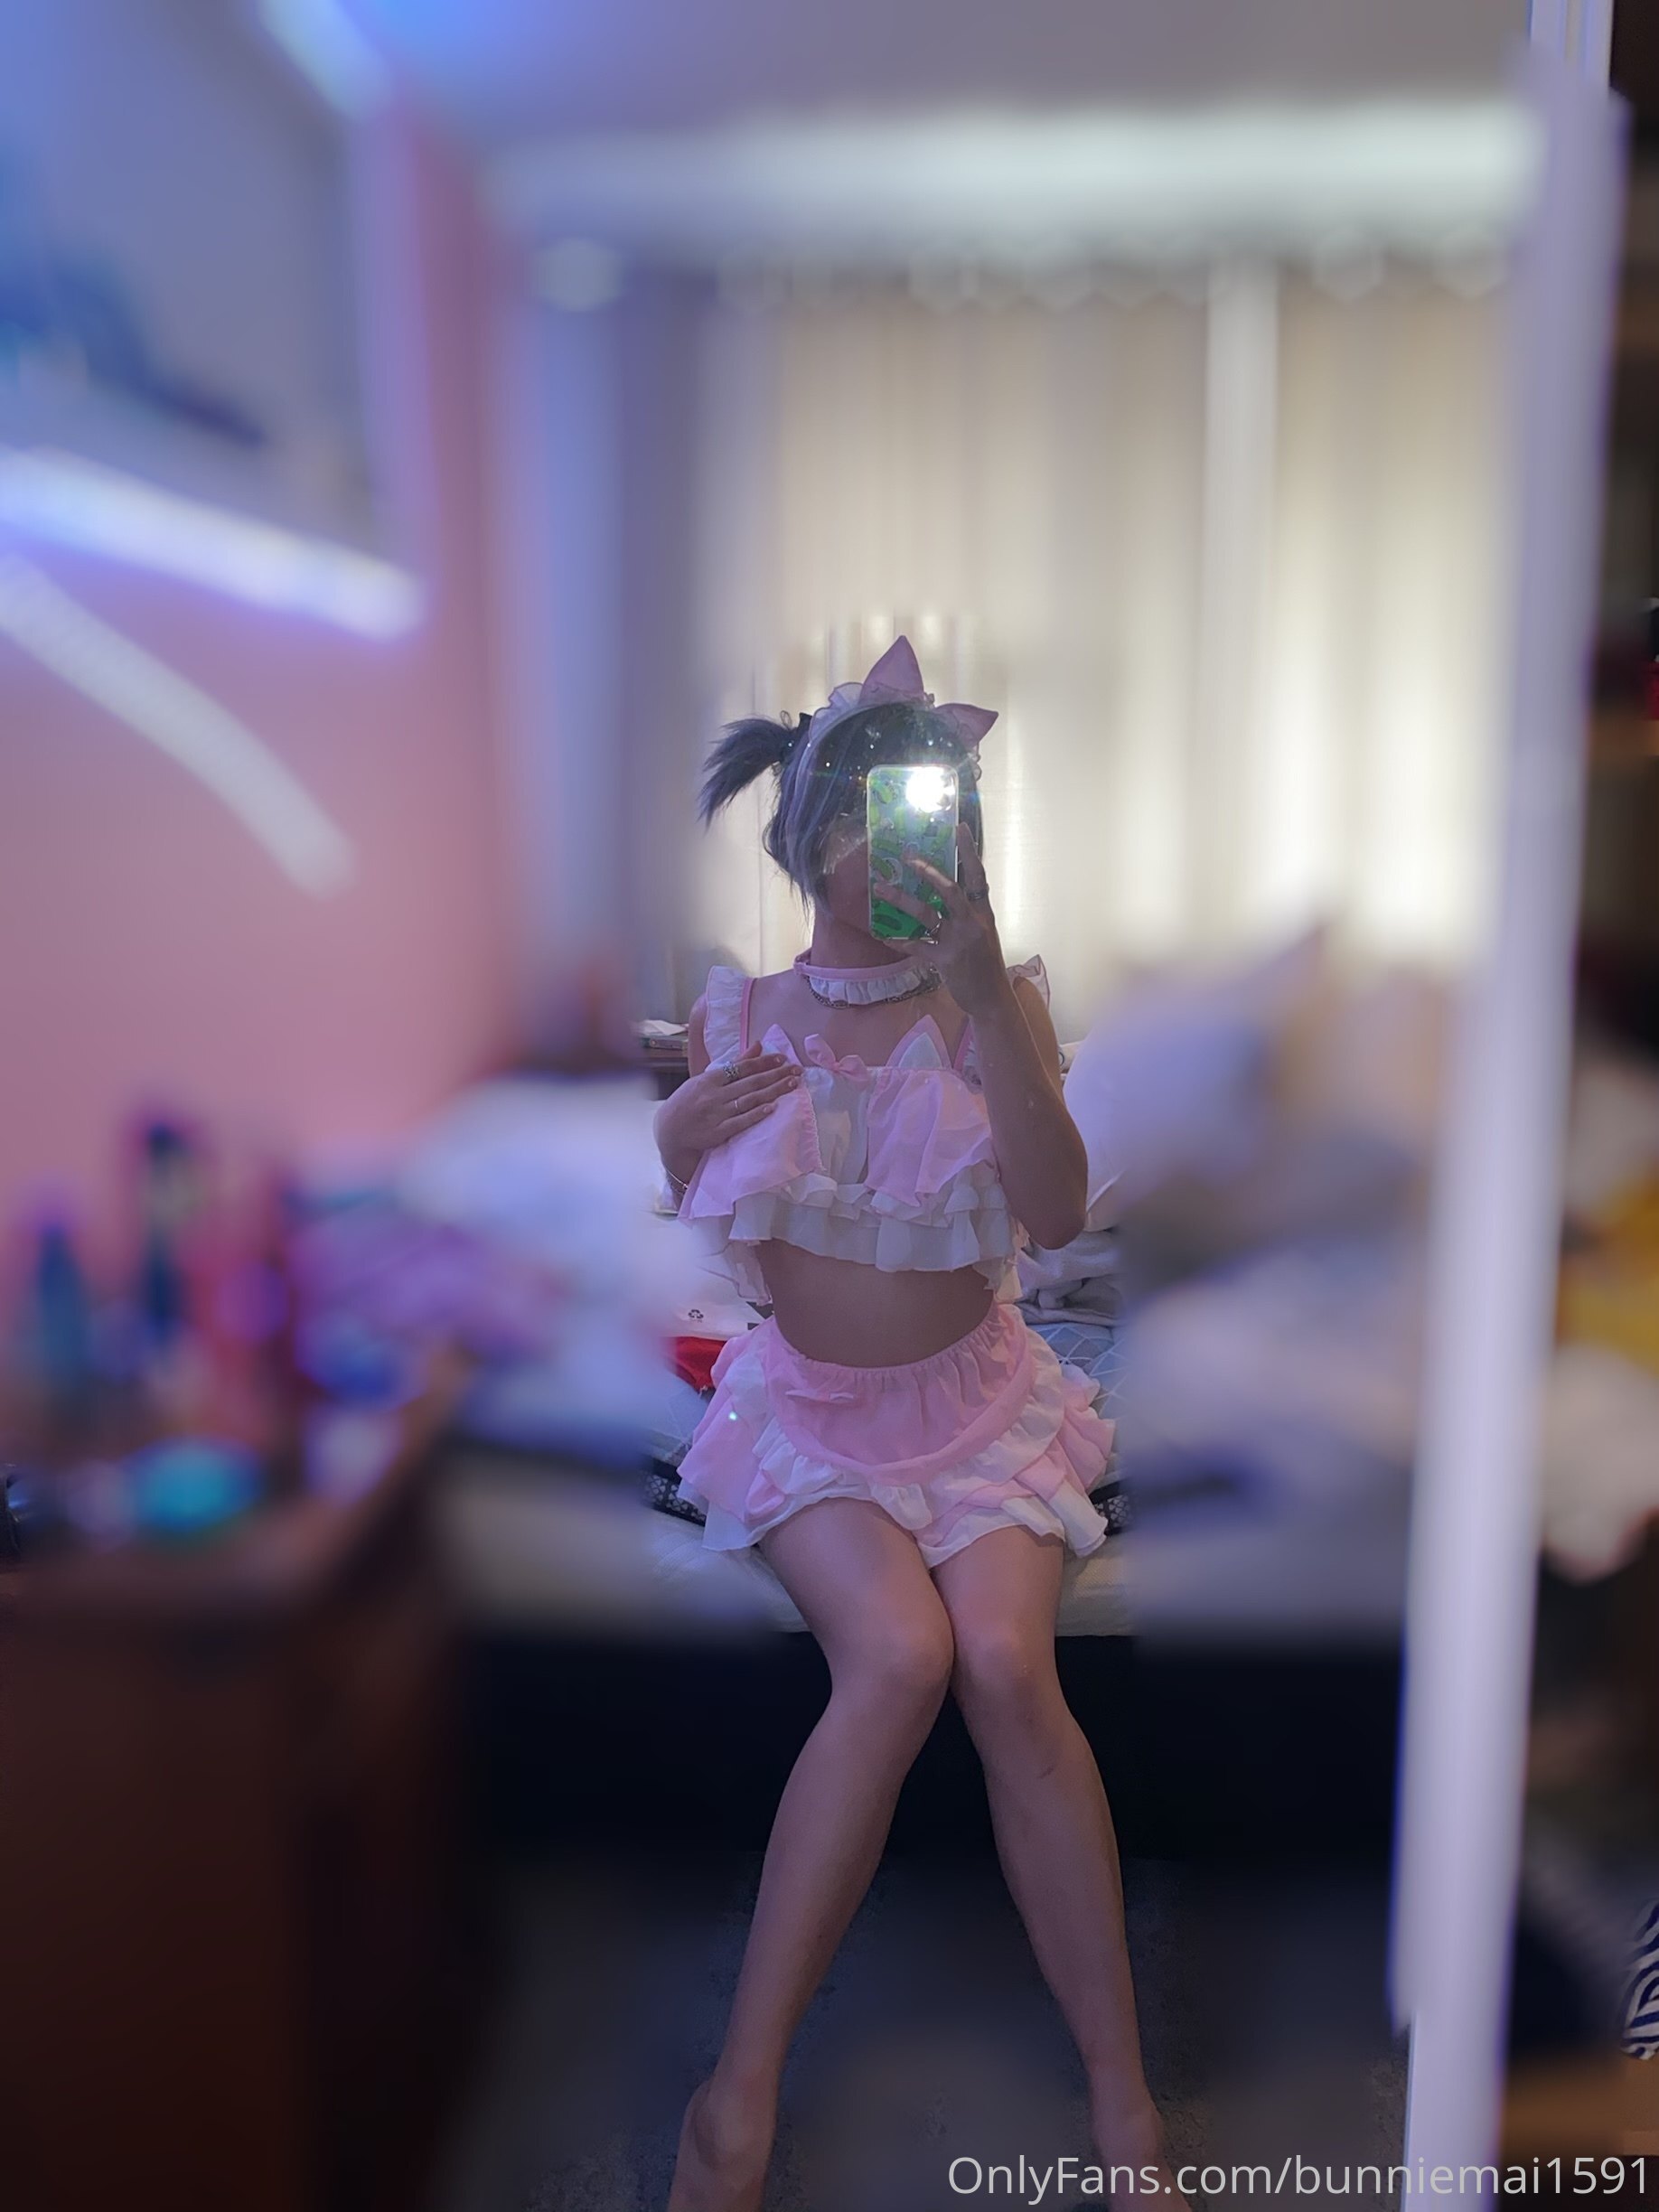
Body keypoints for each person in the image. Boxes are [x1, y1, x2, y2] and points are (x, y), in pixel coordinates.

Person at [655, 638, 1184, 2212]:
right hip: (815, 1419)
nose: (907, 855)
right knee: (898, 1656)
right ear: (808, 837)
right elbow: (703, 1210)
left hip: (979, 1406)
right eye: (873, 822)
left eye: (939, 822)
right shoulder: (743, 1015)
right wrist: (674, 1130)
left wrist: (987, 995)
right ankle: (735, 2099)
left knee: (1011, 1663)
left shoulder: (991, 1002)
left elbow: (1056, 1210)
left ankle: (1124, 2099)